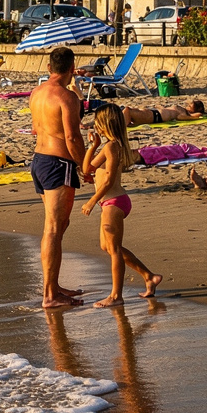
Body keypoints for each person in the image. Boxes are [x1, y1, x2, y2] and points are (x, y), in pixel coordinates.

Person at [81, 105, 161, 307]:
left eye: (97, 121)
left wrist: (91, 201)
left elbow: (107, 181)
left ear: (105, 123)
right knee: (106, 246)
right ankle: (149, 276)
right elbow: (87, 170)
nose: (94, 125)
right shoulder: (107, 145)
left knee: (114, 248)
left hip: (114, 202)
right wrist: (92, 146)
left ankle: (116, 296)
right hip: (109, 202)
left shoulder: (113, 146)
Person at [29, 46, 88, 309]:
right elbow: (72, 137)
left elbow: (35, 127)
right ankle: (49, 295)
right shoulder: (67, 98)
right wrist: (84, 165)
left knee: (57, 227)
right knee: (53, 228)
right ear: (72, 69)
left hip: (39, 160)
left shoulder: (36, 92)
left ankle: (53, 286)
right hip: (58, 163)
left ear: (49, 68)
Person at [117, 98, 207, 127]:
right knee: (125, 110)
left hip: (155, 116)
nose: (188, 106)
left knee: (127, 110)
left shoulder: (184, 115)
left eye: (190, 107)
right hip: (153, 113)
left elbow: (198, 115)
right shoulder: (183, 110)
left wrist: (194, 115)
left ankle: (121, 127)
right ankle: (123, 123)